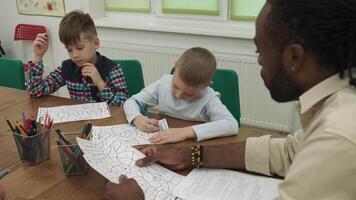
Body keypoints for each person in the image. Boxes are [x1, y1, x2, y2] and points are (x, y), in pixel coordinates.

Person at [103, 0, 356, 199]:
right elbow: (290, 152)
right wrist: (191, 155)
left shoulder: (337, 138)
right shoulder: (336, 106)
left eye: (260, 49)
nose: (258, 59)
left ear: (293, 57)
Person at [123, 47, 239, 144]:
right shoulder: (164, 83)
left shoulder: (208, 98)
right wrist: (137, 119)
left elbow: (232, 125)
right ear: (175, 66)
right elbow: (131, 101)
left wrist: (186, 132)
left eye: (189, 94)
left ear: (205, 86)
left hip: (191, 145)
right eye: (176, 86)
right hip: (163, 141)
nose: (178, 95)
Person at [26, 10, 128, 106]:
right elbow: (35, 91)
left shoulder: (112, 69)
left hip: (107, 123)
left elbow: (123, 105)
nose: (74, 55)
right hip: (79, 123)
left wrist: (100, 83)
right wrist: (38, 56)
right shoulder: (67, 67)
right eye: (69, 50)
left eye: (80, 48)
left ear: (96, 43)